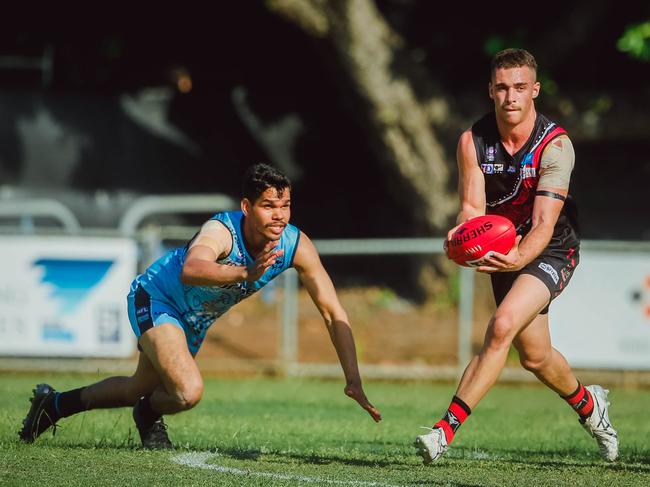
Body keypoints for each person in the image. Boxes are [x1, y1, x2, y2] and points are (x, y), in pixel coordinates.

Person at [19, 163, 382, 449]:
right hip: (157, 298)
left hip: (192, 321)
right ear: (246, 207)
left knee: (135, 389)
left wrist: (352, 379)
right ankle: (147, 415)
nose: (279, 216)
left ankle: (54, 406)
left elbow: (334, 312)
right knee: (187, 391)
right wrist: (244, 271)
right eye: (269, 206)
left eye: (285, 206)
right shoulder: (222, 230)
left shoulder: (294, 244)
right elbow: (192, 270)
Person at [414, 48, 618, 463]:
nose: (511, 97)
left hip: (553, 248)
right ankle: (590, 405)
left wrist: (517, 256)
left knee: (501, 326)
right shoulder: (472, 141)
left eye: (520, 87)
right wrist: (463, 235)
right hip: (504, 248)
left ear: (535, 90)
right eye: (503, 87)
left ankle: (442, 431)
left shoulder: (556, 146)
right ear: (491, 90)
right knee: (535, 356)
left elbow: (544, 224)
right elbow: (473, 207)